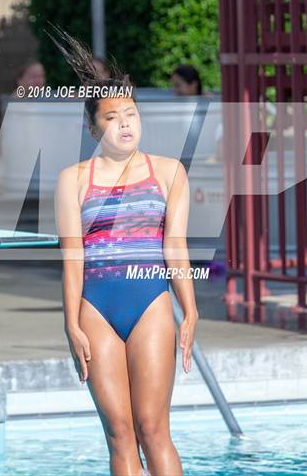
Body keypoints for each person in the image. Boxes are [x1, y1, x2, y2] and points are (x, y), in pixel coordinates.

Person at [54, 31, 199, 476]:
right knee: (119, 433)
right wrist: (70, 323)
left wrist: (189, 311)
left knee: (153, 428)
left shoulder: (169, 172)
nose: (125, 124)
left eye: (131, 113)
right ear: (93, 127)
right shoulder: (72, 179)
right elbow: (73, 258)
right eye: (113, 117)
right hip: (95, 308)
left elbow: (175, 246)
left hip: (151, 302)